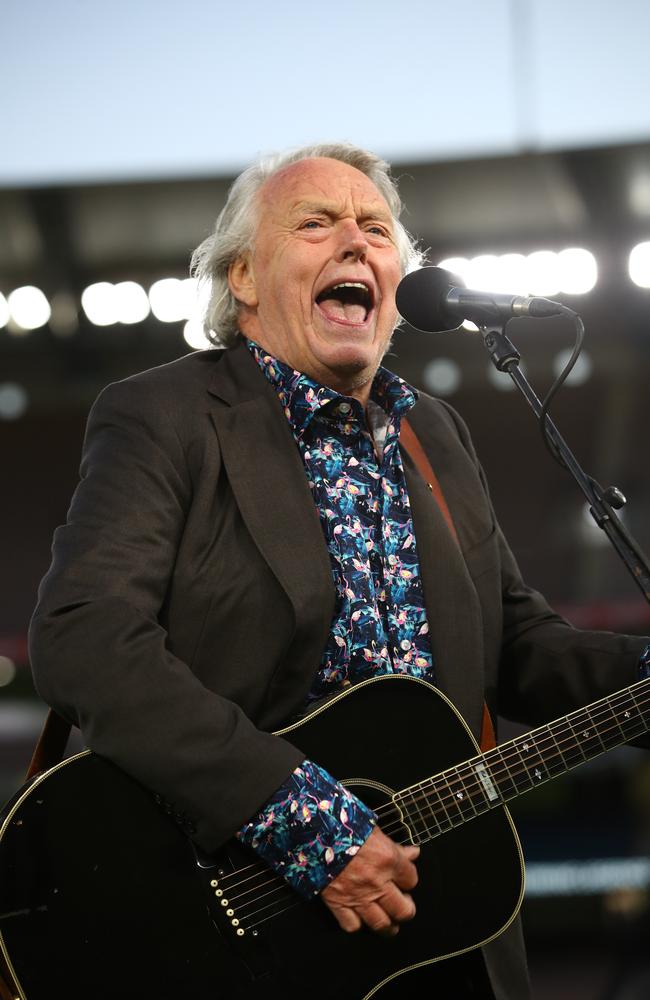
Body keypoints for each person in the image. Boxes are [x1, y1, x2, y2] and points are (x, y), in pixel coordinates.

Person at [29, 142, 650, 999]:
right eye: (315, 224)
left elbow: (515, 643)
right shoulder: (165, 415)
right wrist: (304, 822)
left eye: (375, 228)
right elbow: (85, 637)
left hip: (443, 923)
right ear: (243, 276)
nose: (355, 243)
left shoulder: (436, 433)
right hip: (228, 921)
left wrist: (643, 673)